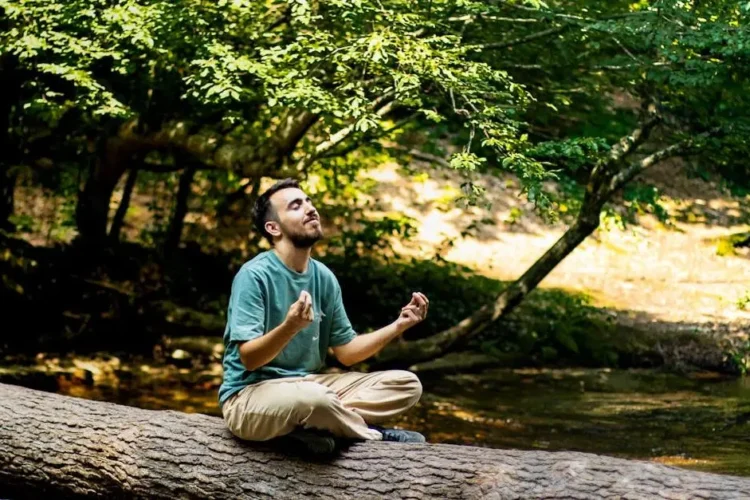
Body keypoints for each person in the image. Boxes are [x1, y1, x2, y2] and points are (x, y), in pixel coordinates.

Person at [219, 178, 429, 455]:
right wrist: (290, 326)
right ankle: (372, 435)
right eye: (296, 206)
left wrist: (398, 326)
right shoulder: (254, 275)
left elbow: (347, 353)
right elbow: (250, 357)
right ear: (273, 228)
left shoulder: (323, 277)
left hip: (306, 387)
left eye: (309, 201)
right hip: (248, 397)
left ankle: (309, 431)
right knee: (316, 400)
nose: (310, 209)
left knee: (406, 384)